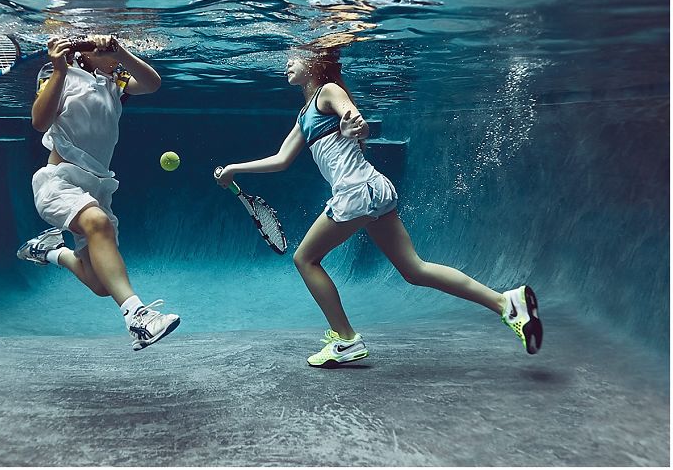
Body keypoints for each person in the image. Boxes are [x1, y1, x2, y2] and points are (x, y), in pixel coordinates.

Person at [214, 49, 542, 367]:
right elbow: (282, 159)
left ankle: (345, 339)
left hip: (356, 194)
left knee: (305, 259)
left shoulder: (328, 91)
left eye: (295, 57)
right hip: (375, 190)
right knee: (414, 269)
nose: (287, 62)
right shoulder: (303, 116)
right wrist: (235, 169)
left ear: (315, 61)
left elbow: (351, 114)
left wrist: (353, 122)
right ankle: (506, 303)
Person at [17, 35, 181, 351]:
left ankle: (50, 251)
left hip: (97, 188)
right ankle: (138, 317)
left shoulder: (115, 79)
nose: (110, 52)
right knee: (98, 224)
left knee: (101, 284)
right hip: (59, 184)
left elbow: (152, 83)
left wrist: (120, 50)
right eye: (103, 48)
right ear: (85, 53)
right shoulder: (58, 74)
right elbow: (39, 122)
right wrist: (60, 71)